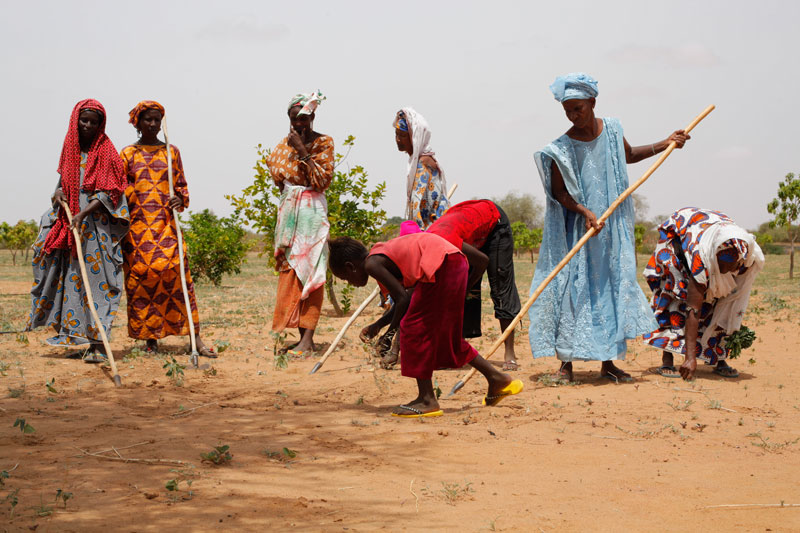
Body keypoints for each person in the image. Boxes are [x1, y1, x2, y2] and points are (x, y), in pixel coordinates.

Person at [528, 73, 690, 382]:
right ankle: (566, 365)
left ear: (592, 102)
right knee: (574, 292)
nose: (574, 116)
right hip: (581, 231)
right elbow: (560, 193)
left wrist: (666, 143)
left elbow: (628, 156)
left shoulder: (613, 129)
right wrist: (585, 211)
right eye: (568, 111)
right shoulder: (560, 149)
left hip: (613, 229)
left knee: (611, 287)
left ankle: (609, 362)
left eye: (579, 108)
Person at [329, 234, 523, 418]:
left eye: (346, 278)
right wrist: (378, 325)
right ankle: (497, 379)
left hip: (443, 266)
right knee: (449, 338)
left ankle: (427, 400)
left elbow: (403, 299)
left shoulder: (372, 264)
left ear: (350, 267)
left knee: (412, 328)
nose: (350, 283)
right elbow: (408, 298)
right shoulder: (382, 256)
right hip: (453, 263)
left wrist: (389, 335)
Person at [27, 99, 130, 363]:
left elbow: (113, 191)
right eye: (84, 120)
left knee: (98, 283)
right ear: (76, 120)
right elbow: (61, 185)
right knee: (73, 282)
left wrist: (84, 212)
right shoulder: (70, 150)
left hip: (96, 228)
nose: (88, 125)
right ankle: (77, 339)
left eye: (93, 122)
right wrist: (57, 194)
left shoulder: (107, 151)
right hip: (71, 227)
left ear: (100, 125)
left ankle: (98, 344)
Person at [120, 100, 214, 356]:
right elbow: (120, 190)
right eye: (147, 120)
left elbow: (182, 186)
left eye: (156, 120)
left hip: (167, 226)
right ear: (137, 123)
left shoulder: (171, 152)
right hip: (138, 229)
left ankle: (195, 338)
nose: (152, 124)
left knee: (179, 277)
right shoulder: (127, 154)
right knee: (142, 281)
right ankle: (150, 339)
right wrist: (136, 195)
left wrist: (179, 199)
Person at [643, 208, 764, 380]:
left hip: (709, 231)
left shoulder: (748, 257)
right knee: (675, 301)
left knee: (719, 307)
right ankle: (668, 358)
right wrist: (690, 358)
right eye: (724, 263)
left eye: (731, 265)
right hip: (677, 245)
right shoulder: (701, 258)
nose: (727, 269)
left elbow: (732, 302)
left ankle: (718, 359)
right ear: (715, 256)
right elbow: (693, 309)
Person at [267, 91, 334, 356]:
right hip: (290, 213)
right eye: (295, 119)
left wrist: (303, 151)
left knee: (312, 273)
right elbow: (278, 177)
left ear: (313, 117)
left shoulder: (324, 143)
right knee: (291, 271)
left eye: (305, 119)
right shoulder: (281, 146)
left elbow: (321, 180)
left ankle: (308, 339)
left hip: (312, 214)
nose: (300, 124)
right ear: (289, 118)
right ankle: (299, 336)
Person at [426, 200, 522, 370]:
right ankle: (456, 350)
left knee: (500, 286)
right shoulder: (425, 247)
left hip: (494, 224)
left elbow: (483, 261)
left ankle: (510, 353)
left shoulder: (446, 241)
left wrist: (467, 286)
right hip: (470, 229)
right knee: (459, 291)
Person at [393, 108, 449, 229]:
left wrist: (415, 235)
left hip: (431, 230)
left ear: (415, 137)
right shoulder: (425, 160)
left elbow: (416, 205)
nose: (397, 139)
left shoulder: (423, 163)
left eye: (402, 135)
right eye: (396, 134)